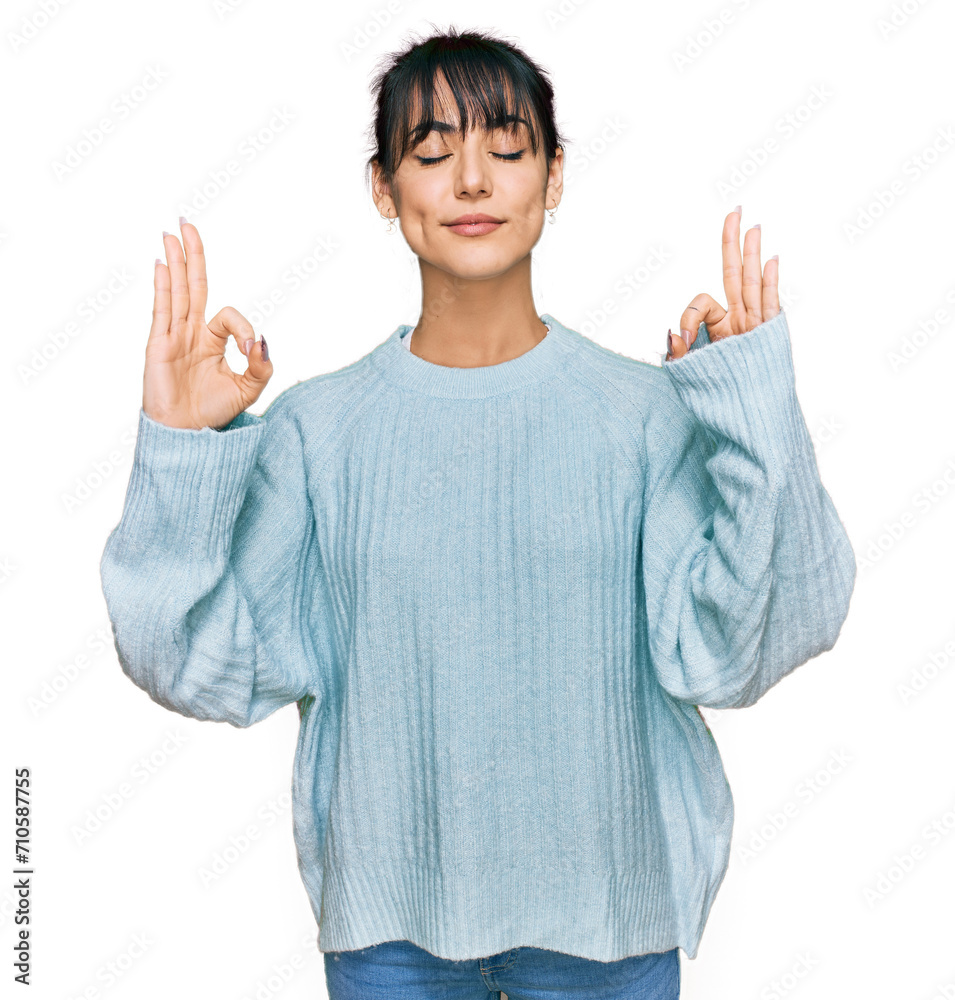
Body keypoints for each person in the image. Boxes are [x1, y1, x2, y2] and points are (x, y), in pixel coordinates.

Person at [99, 24, 856, 1000]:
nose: (470, 180)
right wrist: (180, 445)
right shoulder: (316, 434)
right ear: (384, 189)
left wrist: (753, 417)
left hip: (608, 927)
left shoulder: (643, 414)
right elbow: (188, 657)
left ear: (553, 176)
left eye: (505, 148)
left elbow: (757, 640)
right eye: (430, 153)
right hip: (390, 940)